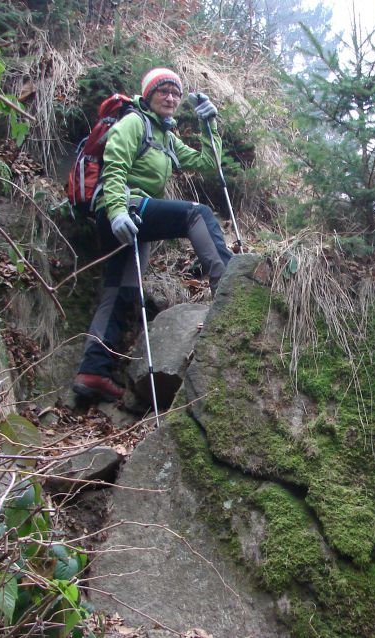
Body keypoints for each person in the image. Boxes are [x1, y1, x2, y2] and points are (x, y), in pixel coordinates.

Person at [73, 67, 233, 402]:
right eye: (164, 91)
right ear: (148, 96)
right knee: (197, 214)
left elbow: (208, 162)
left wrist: (209, 124)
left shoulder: (165, 136)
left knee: (121, 290)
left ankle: (92, 371)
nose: (171, 98)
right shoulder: (134, 123)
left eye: (176, 93)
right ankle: (229, 285)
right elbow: (114, 168)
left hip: (130, 216)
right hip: (124, 208)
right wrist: (116, 212)